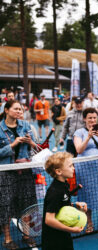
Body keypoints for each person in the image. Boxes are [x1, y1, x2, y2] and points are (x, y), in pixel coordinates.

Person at [0, 100, 38, 249]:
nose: (19, 112)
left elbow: (35, 146)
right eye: (16, 109)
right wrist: (13, 145)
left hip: (25, 170)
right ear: (7, 110)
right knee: (6, 205)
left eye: (20, 109)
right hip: (5, 172)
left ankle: (26, 235)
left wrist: (30, 142)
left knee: (27, 204)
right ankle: (8, 239)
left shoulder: (26, 126)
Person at [42, 152, 88, 250]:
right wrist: (71, 229)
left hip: (63, 235)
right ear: (58, 171)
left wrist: (75, 205)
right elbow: (49, 219)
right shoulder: (55, 192)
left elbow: (61, 205)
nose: (73, 168)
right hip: (53, 240)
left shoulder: (64, 184)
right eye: (70, 166)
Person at [73, 107, 98, 233]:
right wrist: (88, 137)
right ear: (84, 119)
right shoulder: (79, 133)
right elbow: (79, 150)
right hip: (84, 169)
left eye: (94, 118)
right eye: (90, 118)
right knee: (86, 195)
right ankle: (89, 223)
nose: (93, 120)